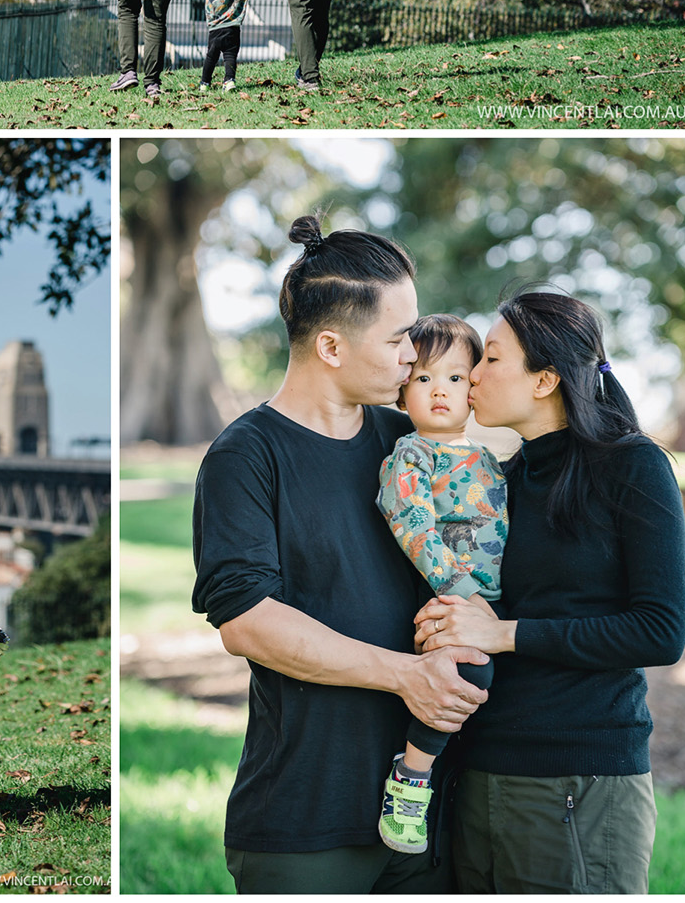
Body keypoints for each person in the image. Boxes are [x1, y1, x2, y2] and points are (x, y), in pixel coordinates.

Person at [190, 216, 487, 893]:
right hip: (307, 823)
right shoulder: (245, 456)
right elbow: (248, 623)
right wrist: (405, 676)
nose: (414, 354)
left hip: (431, 820)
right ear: (330, 345)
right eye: (396, 338)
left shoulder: (407, 440)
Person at [416, 291, 685, 893]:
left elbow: (661, 631)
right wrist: (450, 620)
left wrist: (502, 634)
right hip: (479, 771)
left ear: (544, 380)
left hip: (578, 779)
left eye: (490, 359)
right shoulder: (499, 480)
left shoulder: (633, 467)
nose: (472, 375)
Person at [373, 314, 507, 854]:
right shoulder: (412, 454)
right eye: (424, 379)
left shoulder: (489, 459)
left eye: (455, 378)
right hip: (447, 596)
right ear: (402, 391)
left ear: (473, 388)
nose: (440, 391)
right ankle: (410, 779)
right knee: (470, 668)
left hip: (491, 602)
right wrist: (464, 592)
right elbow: (411, 522)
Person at [190, 0, 268, 93]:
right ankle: (229, 81)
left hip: (214, 30)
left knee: (210, 57)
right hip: (233, 28)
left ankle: (204, 83)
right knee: (230, 56)